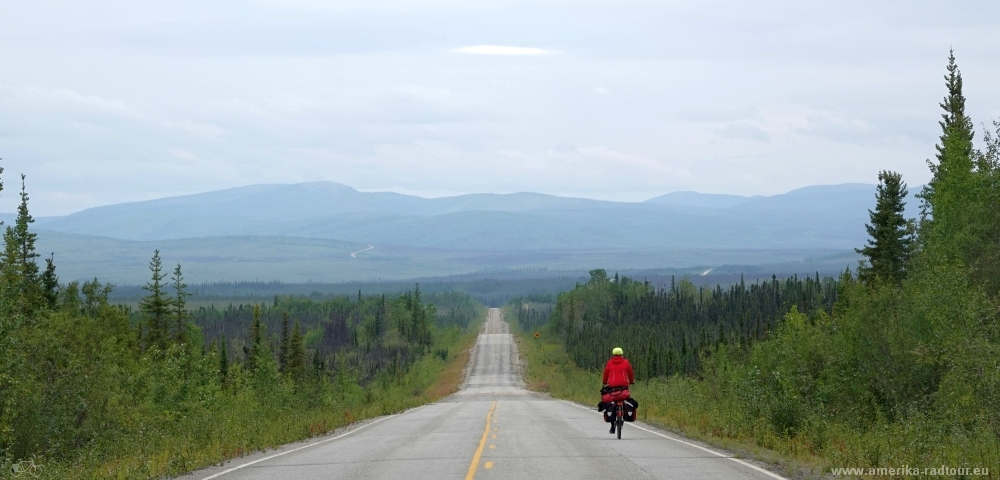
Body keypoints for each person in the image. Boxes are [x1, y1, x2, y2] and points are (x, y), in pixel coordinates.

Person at [600, 347, 634, 433]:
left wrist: (604, 382)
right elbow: (630, 373)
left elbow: (606, 373)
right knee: (624, 399)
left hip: (613, 386)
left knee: (611, 403)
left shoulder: (610, 363)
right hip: (623, 386)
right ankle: (623, 415)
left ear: (613, 355)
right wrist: (631, 381)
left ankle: (612, 426)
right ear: (621, 354)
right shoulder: (626, 362)